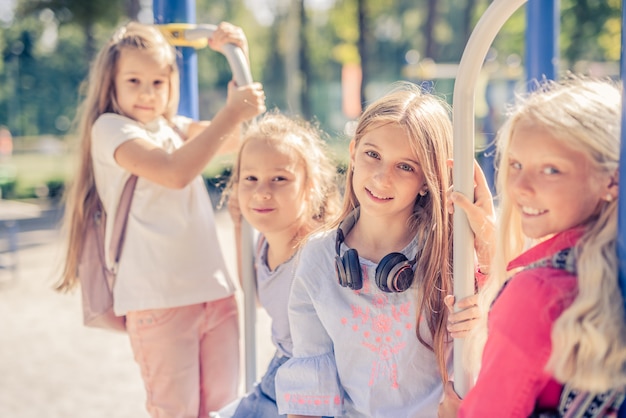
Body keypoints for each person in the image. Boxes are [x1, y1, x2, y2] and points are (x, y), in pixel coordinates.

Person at [56, 21, 266, 417]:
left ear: (172, 83)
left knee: (224, 408)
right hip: (159, 299)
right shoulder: (111, 129)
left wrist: (239, 65)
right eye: (134, 80)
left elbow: (241, 136)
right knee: (176, 410)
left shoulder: (174, 126)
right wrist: (228, 114)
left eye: (158, 81)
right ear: (111, 84)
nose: (148, 93)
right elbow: (174, 172)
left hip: (213, 292)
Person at [274, 82, 493, 418]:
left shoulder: (454, 254)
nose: (381, 177)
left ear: (427, 180)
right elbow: (309, 384)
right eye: (372, 154)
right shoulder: (317, 258)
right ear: (352, 152)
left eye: (405, 166)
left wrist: (486, 240)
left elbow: (510, 322)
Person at [439, 76, 626, 417]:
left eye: (551, 170)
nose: (520, 187)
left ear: (611, 179)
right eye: (516, 165)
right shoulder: (613, 264)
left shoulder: (535, 295)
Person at [211, 111, 342, 418]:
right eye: (250, 179)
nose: (262, 191)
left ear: (310, 187)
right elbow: (255, 292)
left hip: (320, 382)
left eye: (279, 179)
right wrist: (240, 226)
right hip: (281, 367)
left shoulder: (318, 251)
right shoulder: (264, 241)